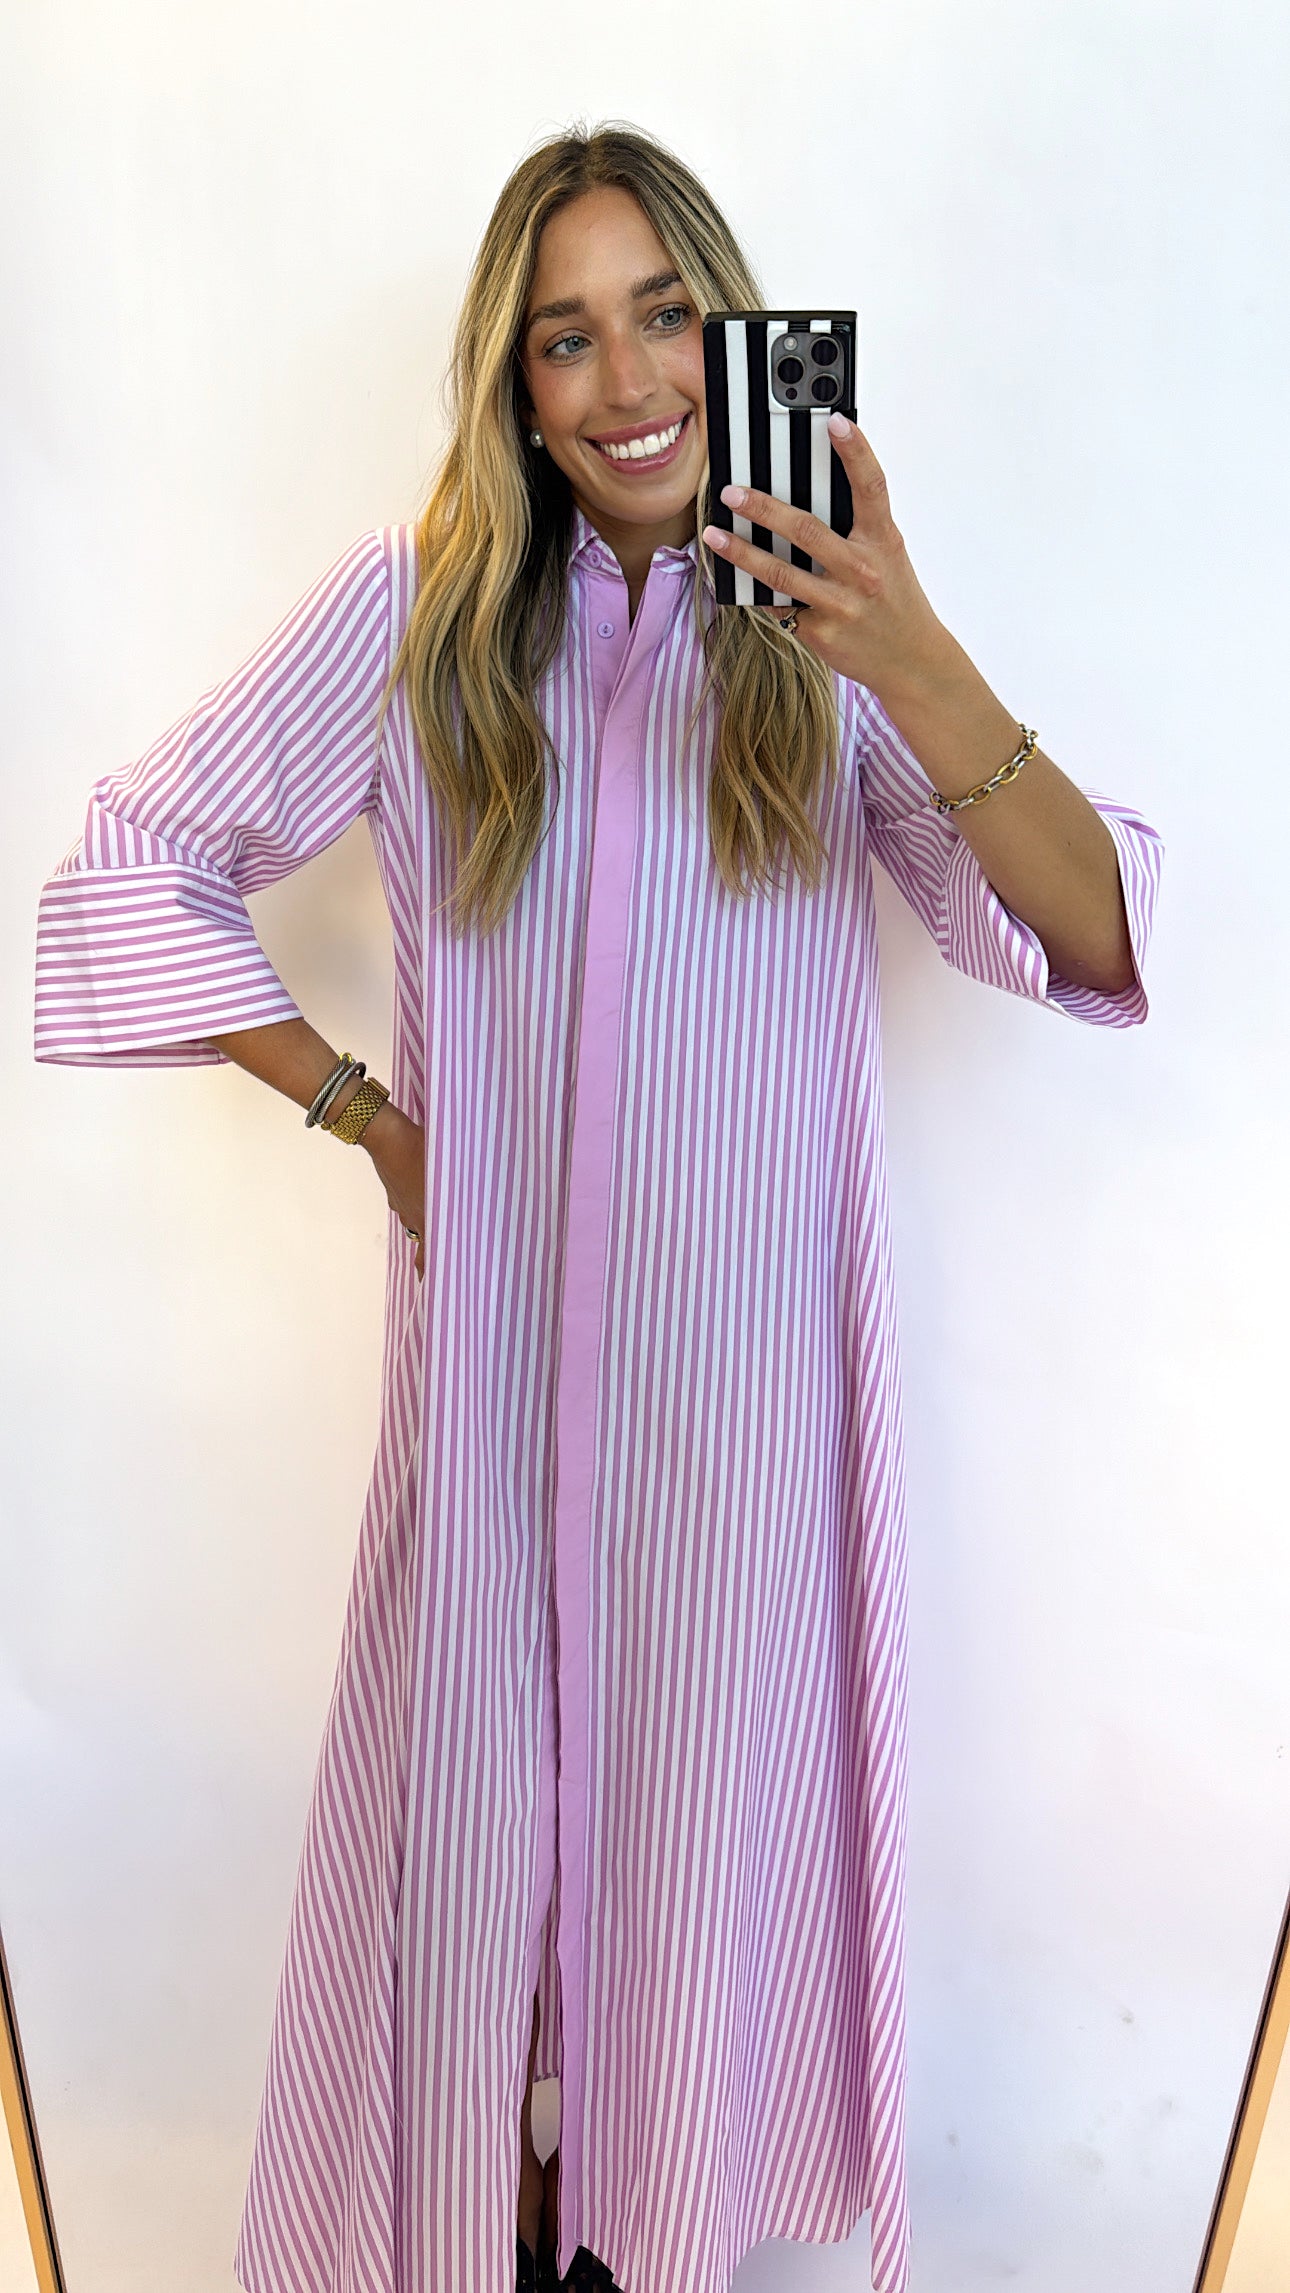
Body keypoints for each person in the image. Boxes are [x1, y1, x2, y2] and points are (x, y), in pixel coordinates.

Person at [33, 120, 1163, 2293]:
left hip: (741, 1454)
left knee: (680, 1941)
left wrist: (910, 647)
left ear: (738, 340)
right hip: (487, 1430)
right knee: (481, 1933)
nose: (627, 379)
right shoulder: (418, 615)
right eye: (566, 337)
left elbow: (1089, 932)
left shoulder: (826, 642)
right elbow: (133, 861)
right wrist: (372, 1119)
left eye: (665, 317)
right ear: (516, 381)